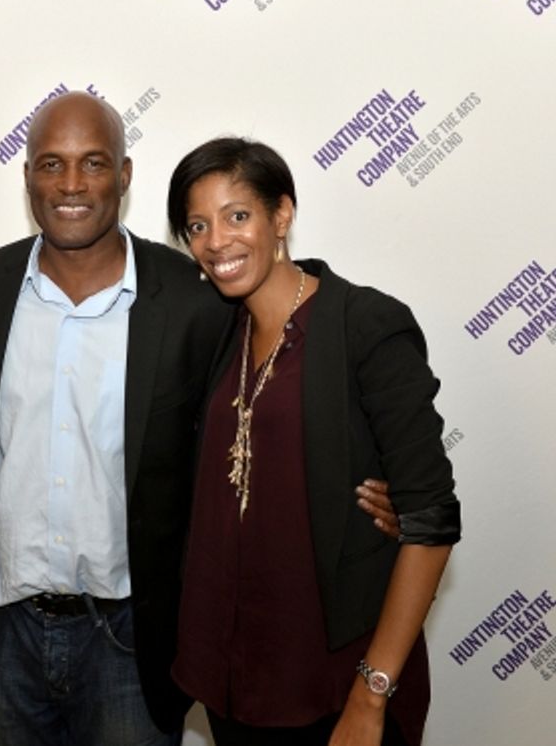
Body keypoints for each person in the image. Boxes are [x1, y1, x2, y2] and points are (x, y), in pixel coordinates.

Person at [0, 91, 229, 745]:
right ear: (27, 177)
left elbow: (248, 436)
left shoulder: (193, 300)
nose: (71, 185)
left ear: (125, 177)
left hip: (133, 638)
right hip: (1, 632)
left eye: (93, 163)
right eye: (51, 164)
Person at [167, 137, 461, 746]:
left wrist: (370, 696)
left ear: (282, 215)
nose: (216, 240)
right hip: (233, 685)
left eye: (237, 215)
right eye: (197, 225)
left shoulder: (364, 325)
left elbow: (431, 521)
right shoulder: (218, 333)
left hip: (334, 687)